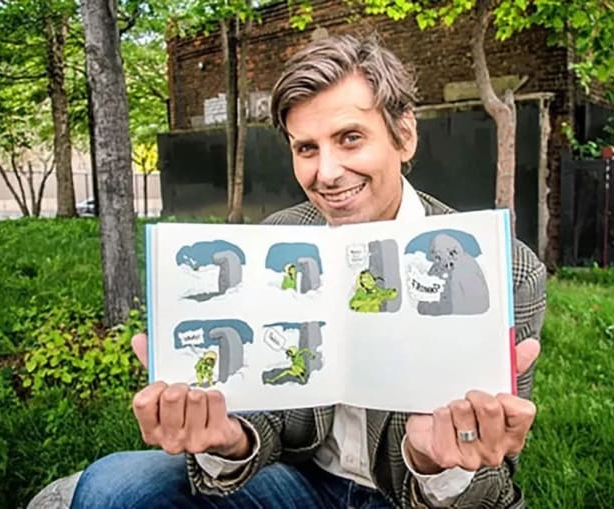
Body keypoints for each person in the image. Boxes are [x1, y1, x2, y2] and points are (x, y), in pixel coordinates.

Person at [70, 33, 546, 509]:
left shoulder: (507, 270)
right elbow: (273, 411)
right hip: (304, 484)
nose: (328, 172)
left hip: (414, 496)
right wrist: (229, 439)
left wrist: (439, 462)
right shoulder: (282, 238)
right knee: (113, 487)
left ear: (404, 134)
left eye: (350, 138)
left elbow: (494, 483)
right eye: (307, 149)